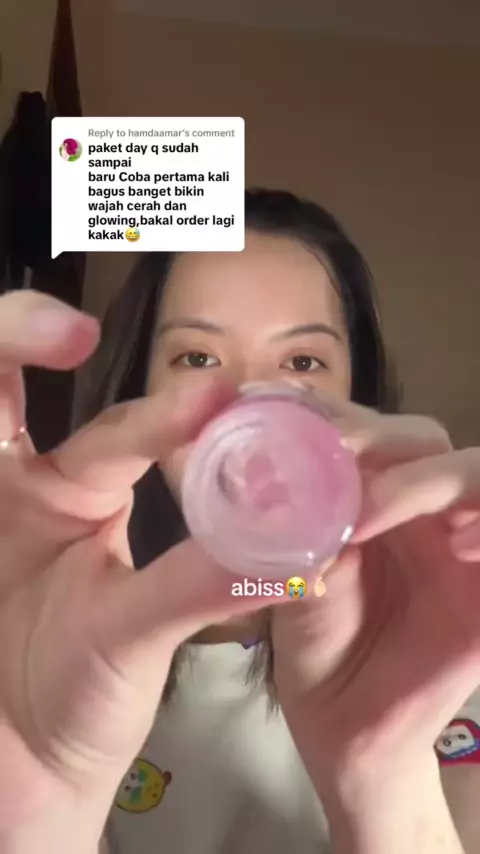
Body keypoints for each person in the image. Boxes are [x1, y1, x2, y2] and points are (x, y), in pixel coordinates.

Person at [1, 188, 480, 854]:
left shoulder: (446, 650)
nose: (250, 406)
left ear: (358, 394)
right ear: (139, 396)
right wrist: (37, 820)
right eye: (197, 359)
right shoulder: (50, 658)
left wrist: (382, 779)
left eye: (303, 363)